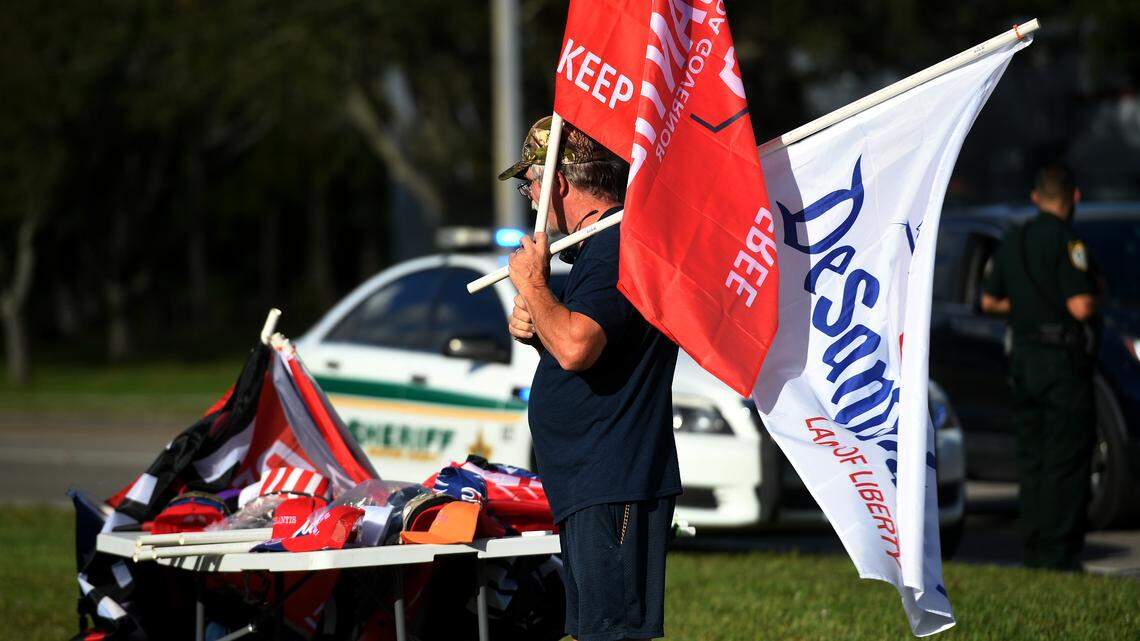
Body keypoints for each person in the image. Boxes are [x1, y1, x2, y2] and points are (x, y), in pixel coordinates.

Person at [500, 116, 682, 640]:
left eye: (529, 183)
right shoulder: (594, 251)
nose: (529, 196)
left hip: (613, 479)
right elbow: (583, 344)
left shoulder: (612, 247)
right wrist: (541, 329)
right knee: (597, 629)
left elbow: (579, 347)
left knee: (614, 631)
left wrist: (535, 286)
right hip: (592, 482)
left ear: (557, 182)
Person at [980, 163, 1099, 571]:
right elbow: (1080, 305)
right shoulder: (1068, 241)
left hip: (1023, 361)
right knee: (1066, 457)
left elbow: (989, 302)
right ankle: (1060, 554)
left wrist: (1030, 305)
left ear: (1035, 197)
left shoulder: (1013, 239)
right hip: (1061, 364)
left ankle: (1032, 549)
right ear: (1074, 197)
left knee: (1032, 457)